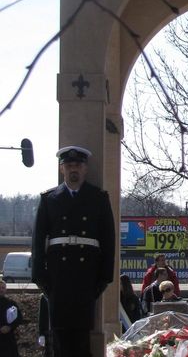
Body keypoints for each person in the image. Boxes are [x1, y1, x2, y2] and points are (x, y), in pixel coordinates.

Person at [31, 145, 116, 357]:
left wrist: (105, 277)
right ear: (62, 169)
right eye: (68, 165)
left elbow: (108, 239)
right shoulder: (49, 199)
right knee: (59, 337)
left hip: (86, 275)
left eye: (77, 165)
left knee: (81, 336)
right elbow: (38, 240)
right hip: (58, 275)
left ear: (85, 169)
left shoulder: (98, 198)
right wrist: (39, 276)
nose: (73, 169)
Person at [0, 279, 22, 357]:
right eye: (0, 287)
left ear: (5, 289)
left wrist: (10, 327)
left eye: (3, 288)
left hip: (8, 340)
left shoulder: (11, 303)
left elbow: (19, 318)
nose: (1, 290)